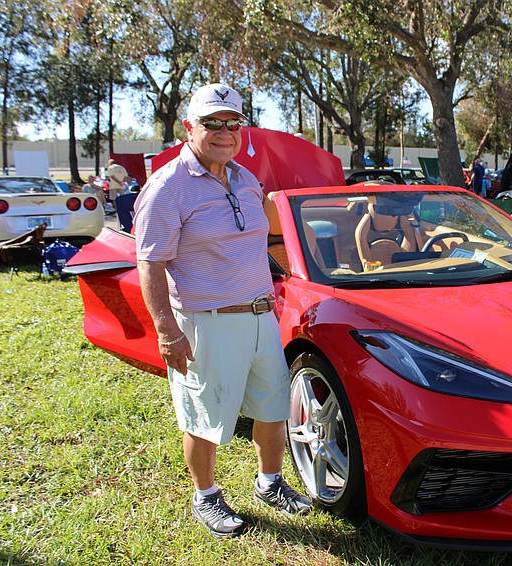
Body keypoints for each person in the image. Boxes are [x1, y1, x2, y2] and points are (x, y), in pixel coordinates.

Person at [133, 83, 311, 539]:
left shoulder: (247, 180)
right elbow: (150, 262)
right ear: (190, 128)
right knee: (205, 416)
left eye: (233, 124)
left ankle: (269, 483)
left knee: (273, 408)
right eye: (212, 123)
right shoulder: (167, 188)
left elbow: (264, 244)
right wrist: (167, 331)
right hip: (204, 321)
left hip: (259, 317)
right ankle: (206, 496)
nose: (224, 132)